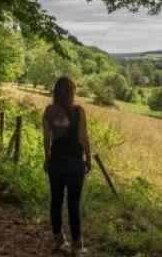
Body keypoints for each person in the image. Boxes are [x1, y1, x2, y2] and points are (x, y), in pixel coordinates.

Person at [42, 77, 91, 255]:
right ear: (72, 92)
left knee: (55, 202)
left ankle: (59, 241)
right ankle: (77, 246)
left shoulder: (49, 111)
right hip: (75, 163)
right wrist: (89, 159)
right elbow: (83, 138)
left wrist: (47, 158)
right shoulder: (79, 111)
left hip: (56, 162)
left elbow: (47, 139)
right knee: (73, 205)